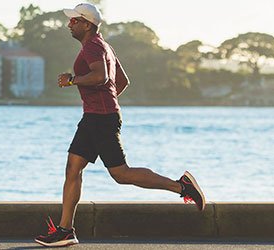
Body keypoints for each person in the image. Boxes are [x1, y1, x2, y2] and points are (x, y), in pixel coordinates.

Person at [34, 3, 205, 247]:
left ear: (87, 24)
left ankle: (182, 186)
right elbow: (121, 81)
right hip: (96, 117)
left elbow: (102, 77)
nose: (69, 24)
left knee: (121, 174)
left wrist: (73, 80)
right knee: (73, 168)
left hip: (100, 119)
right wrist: (105, 101)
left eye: (74, 21)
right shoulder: (104, 46)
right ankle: (65, 230)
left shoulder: (93, 46)